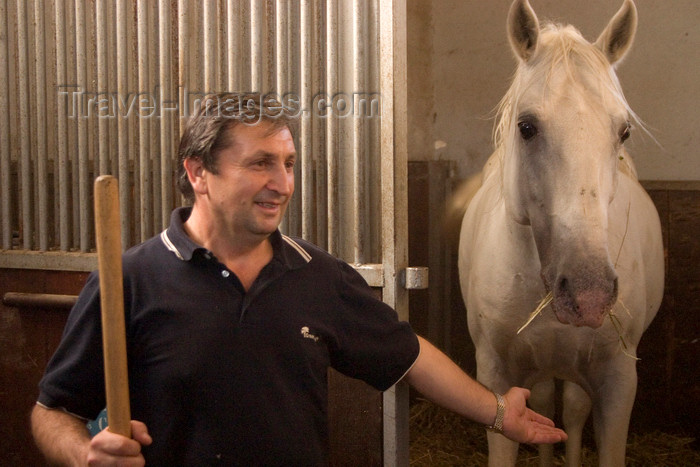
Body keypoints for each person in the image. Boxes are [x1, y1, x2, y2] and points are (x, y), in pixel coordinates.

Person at [31, 93, 567, 466]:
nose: (283, 184)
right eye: (261, 164)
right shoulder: (130, 280)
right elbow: (52, 410)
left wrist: (499, 413)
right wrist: (84, 454)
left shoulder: (317, 276)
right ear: (198, 172)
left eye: (289, 163)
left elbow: (408, 355)